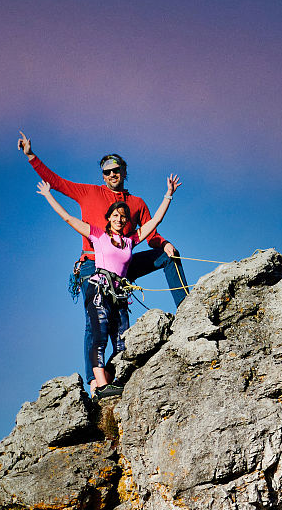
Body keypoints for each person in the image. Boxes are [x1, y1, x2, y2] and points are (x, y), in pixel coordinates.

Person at [18, 132, 189, 378]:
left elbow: (151, 232)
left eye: (116, 170)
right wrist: (32, 156)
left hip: (122, 266)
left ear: (124, 171)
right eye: (107, 172)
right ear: (102, 175)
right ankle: (95, 382)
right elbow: (55, 181)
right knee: (95, 323)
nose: (112, 175)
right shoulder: (88, 193)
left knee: (166, 258)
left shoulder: (137, 202)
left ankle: (186, 308)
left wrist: (165, 244)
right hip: (92, 266)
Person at [36, 174, 181, 398]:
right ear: (108, 218)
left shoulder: (130, 240)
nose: (120, 219)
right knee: (99, 334)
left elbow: (155, 222)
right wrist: (48, 195)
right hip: (99, 288)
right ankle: (100, 385)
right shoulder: (98, 235)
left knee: (122, 336)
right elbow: (68, 218)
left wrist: (168, 195)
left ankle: (116, 378)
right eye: (115, 215)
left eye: (123, 216)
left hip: (119, 292)